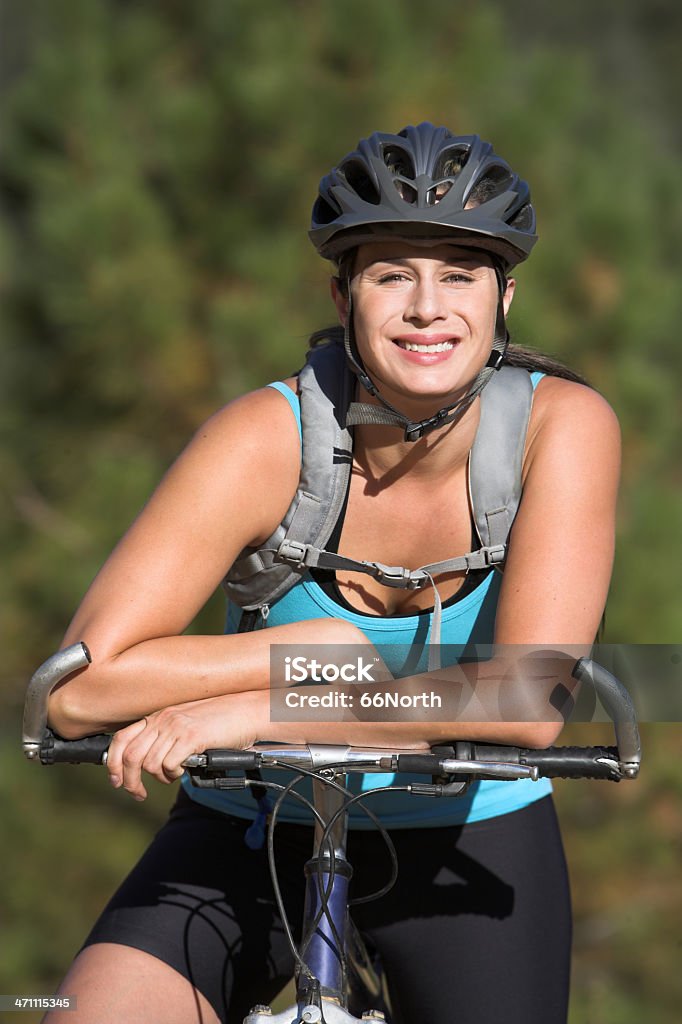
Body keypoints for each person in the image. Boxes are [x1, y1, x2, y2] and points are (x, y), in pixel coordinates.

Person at [43, 124, 620, 1024]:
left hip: (469, 835)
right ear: (343, 293)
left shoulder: (564, 427)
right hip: (251, 823)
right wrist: (313, 648)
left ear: (505, 297)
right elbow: (76, 696)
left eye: (459, 275)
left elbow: (534, 695)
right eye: (393, 274)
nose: (428, 308)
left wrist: (284, 697)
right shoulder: (263, 439)